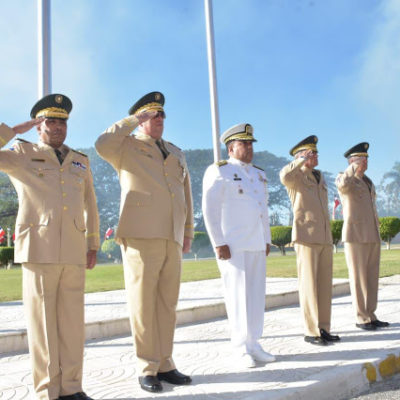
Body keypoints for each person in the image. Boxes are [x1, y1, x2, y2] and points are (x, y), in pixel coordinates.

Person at [0, 94, 100, 400]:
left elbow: (90, 204)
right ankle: (47, 392)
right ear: (39, 126)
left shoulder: (80, 160)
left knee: (72, 324)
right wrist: (18, 129)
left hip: (73, 250)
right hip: (38, 249)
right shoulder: (21, 153)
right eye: (50, 121)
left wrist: (92, 242)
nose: (57, 127)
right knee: (42, 325)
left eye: (62, 121)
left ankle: (72, 388)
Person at [95, 91, 194, 393]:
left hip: (172, 235)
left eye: (161, 114)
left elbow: (186, 193)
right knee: (142, 303)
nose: (158, 119)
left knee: (167, 304)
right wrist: (132, 121)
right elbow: (101, 143)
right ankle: (146, 367)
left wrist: (187, 231)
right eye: (151, 114)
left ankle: (166, 363)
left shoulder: (176, 151)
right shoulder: (125, 146)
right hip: (140, 234)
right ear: (140, 119)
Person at [202, 123, 275, 368]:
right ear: (231, 148)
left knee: (255, 295)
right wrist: (218, 242)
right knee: (237, 295)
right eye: (245, 143)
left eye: (251, 143)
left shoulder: (258, 173)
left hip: (255, 242)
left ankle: (254, 343)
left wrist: (266, 239)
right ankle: (239, 347)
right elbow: (209, 209)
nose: (250, 147)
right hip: (232, 245)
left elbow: (263, 209)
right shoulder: (218, 170)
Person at [280, 135, 340, 346]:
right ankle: (311, 331)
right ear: (300, 156)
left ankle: (323, 327)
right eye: (310, 153)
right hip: (306, 237)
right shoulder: (296, 177)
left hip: (323, 237)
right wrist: (300, 162)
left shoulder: (319, 176)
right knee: (308, 285)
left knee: (324, 285)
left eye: (315, 153)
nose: (315, 156)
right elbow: (284, 175)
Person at [336, 142, 389, 331]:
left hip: (372, 233)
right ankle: (361, 317)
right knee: (358, 278)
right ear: (352, 161)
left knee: (371, 278)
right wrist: (352, 167)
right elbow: (343, 186)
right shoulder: (344, 179)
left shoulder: (368, 181)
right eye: (361, 159)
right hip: (355, 235)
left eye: (366, 159)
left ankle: (371, 314)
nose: (365, 162)